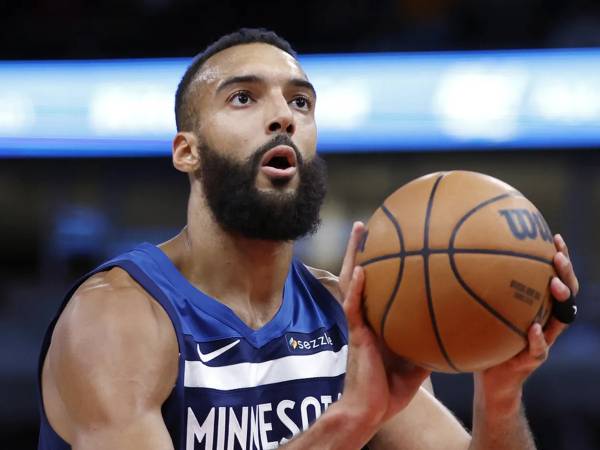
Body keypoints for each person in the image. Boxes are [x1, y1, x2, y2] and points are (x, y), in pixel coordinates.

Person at [37, 28, 580, 450]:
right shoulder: (114, 319)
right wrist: (349, 421)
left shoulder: (344, 317)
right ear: (187, 151)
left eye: (300, 102)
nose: (283, 116)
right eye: (244, 99)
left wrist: (501, 388)